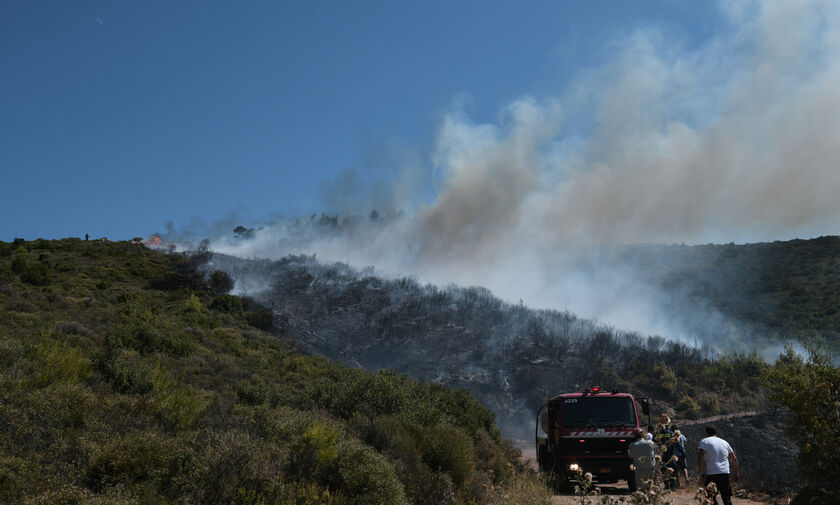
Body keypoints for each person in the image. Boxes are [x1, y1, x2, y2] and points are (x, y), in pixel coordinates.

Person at [698, 425, 739, 505]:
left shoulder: (704, 441)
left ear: (707, 433)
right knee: (726, 498)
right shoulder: (724, 442)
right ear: (716, 432)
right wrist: (736, 472)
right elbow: (734, 458)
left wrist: (701, 472)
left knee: (710, 498)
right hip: (725, 473)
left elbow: (701, 456)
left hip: (712, 473)